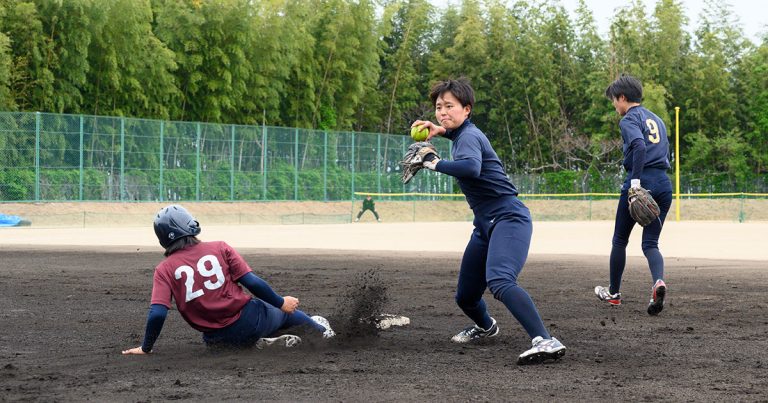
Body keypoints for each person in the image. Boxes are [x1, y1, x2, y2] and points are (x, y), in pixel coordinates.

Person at [411, 78, 566, 365]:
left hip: (508, 217)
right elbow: (460, 138)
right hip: (486, 224)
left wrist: (432, 162)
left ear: (467, 109)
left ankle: (545, 339)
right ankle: (486, 327)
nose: (442, 112)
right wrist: (441, 131)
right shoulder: (462, 134)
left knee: (501, 280)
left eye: (450, 107)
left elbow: (470, 167)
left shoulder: (468, 136)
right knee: (466, 297)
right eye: (438, 107)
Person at [122, 204, 335, 355]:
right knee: (284, 314)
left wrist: (146, 347)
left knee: (237, 334)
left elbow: (158, 313)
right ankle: (321, 332)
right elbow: (252, 283)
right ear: (190, 225)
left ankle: (262, 343)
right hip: (249, 321)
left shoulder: (163, 269)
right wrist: (282, 303)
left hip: (217, 340)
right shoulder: (219, 247)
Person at [594, 75, 673, 316]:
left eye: (614, 100)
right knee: (650, 243)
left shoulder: (630, 118)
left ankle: (614, 294)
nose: (614, 105)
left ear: (623, 98)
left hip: (641, 181)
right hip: (664, 183)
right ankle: (658, 281)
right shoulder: (657, 119)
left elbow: (639, 146)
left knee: (620, 240)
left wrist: (636, 182)